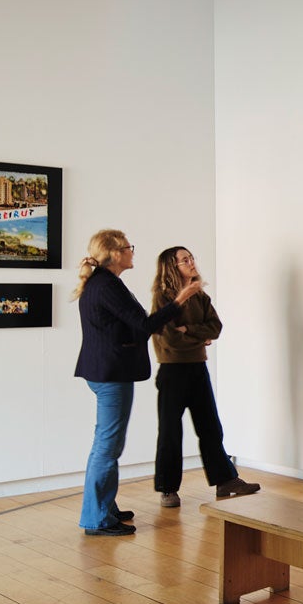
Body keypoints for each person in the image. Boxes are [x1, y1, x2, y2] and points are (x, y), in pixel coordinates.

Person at [72, 229, 195, 537]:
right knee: (107, 445)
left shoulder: (103, 282)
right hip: (111, 374)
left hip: (106, 371)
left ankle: (104, 507)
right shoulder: (106, 285)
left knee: (107, 443)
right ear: (115, 254)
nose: (132, 252)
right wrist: (180, 298)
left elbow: (130, 327)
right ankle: (97, 518)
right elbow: (144, 325)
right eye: (129, 248)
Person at [150, 245, 258, 504]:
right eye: (184, 260)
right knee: (170, 432)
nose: (191, 262)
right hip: (173, 371)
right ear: (172, 267)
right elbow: (171, 339)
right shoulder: (164, 298)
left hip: (197, 368)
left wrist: (191, 330)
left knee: (210, 427)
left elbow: (216, 327)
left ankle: (225, 480)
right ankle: (168, 488)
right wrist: (199, 337)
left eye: (191, 258)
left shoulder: (200, 296)